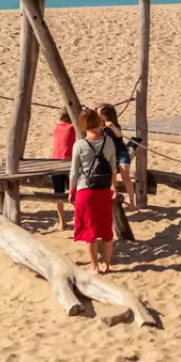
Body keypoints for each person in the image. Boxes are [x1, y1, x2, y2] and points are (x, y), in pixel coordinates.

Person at [69, 108, 117, 274]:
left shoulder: (79, 145)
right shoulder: (108, 142)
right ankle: (107, 265)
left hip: (85, 190)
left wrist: (71, 190)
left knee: (90, 231)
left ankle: (95, 267)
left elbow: (74, 171)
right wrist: (114, 186)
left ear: (83, 125)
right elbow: (113, 168)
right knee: (106, 230)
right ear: (98, 122)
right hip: (103, 189)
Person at [97, 103, 136, 210]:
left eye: (99, 112)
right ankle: (115, 202)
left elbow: (119, 135)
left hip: (120, 153)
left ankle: (132, 202)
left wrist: (112, 126)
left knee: (125, 176)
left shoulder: (114, 125)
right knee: (112, 181)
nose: (97, 114)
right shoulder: (100, 127)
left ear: (106, 115)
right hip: (109, 155)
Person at [50, 108, 77, 230]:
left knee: (58, 193)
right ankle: (78, 218)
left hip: (55, 163)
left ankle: (62, 222)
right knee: (75, 193)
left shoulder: (56, 127)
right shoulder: (72, 127)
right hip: (68, 163)